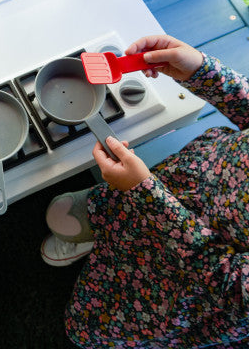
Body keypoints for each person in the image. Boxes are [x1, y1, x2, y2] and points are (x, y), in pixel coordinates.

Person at [40, 34, 249, 348]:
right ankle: (100, 239)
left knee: (91, 322)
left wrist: (145, 192)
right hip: (176, 184)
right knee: (82, 213)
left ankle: (97, 263)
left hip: (174, 279)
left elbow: (228, 286)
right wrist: (203, 71)